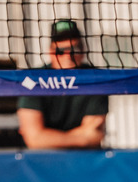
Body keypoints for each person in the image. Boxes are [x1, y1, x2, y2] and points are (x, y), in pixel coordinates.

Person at [17, 19, 107, 149]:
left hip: (84, 158)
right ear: (51, 52)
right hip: (42, 160)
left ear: (82, 50)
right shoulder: (32, 80)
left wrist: (48, 138)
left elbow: (95, 134)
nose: (67, 56)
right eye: (60, 51)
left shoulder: (96, 79)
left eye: (73, 49)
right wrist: (81, 139)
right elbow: (34, 139)